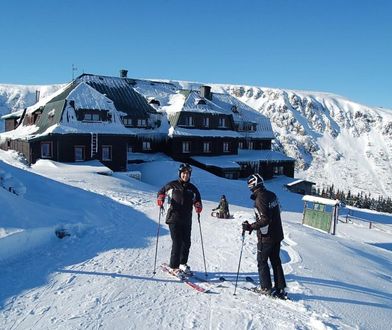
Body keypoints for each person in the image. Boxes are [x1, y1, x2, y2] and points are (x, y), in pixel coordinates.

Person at [242, 173, 287, 299]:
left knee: (262, 261)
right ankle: (280, 288)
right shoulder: (271, 194)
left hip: (266, 237)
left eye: (249, 185)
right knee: (275, 261)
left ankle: (266, 287)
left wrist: (251, 226)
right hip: (277, 234)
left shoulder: (260, 198)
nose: (249, 187)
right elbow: (279, 210)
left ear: (253, 185)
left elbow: (265, 219)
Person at [157, 163, 202, 275]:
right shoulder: (172, 185)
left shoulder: (192, 188)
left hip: (187, 219)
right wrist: (161, 198)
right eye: (183, 173)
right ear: (180, 174)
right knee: (177, 242)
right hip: (174, 218)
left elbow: (198, 200)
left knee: (186, 242)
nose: (185, 175)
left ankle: (183, 263)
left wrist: (198, 205)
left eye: (187, 173)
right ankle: (174, 266)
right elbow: (161, 192)